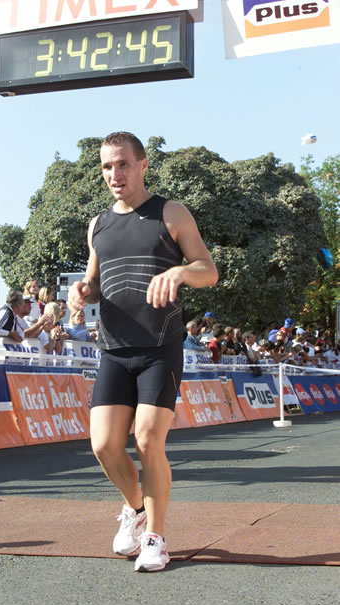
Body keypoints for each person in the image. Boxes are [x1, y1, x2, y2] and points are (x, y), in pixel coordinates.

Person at [68, 131, 218, 572]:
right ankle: (135, 508)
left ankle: (155, 536)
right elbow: (94, 281)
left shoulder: (171, 213)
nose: (114, 174)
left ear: (143, 164)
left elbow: (208, 270)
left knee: (148, 440)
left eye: (123, 164)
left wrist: (180, 272)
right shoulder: (98, 224)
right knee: (103, 446)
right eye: (106, 166)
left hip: (159, 348)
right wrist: (81, 292)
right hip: (114, 349)